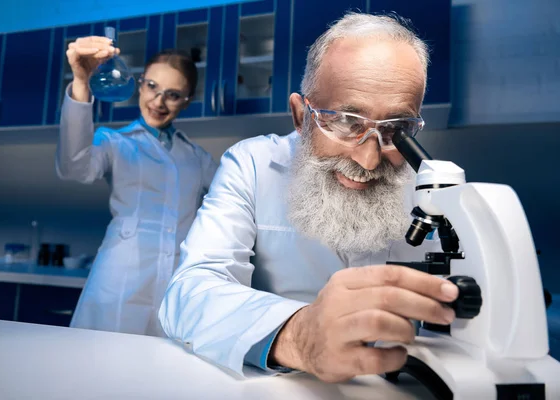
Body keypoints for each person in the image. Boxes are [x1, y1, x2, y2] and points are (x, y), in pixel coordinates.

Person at [159, 11, 461, 382]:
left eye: (396, 129)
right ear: (300, 116)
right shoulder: (252, 165)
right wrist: (299, 335)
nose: (369, 159)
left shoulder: (431, 188)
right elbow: (188, 294)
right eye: (347, 122)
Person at [55, 37, 218, 336]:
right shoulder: (114, 142)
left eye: (172, 94)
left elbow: (230, 205)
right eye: (152, 87)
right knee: (100, 371)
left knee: (156, 377)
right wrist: (81, 80)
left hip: (174, 289)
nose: (158, 102)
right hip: (119, 285)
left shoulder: (198, 159)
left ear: (187, 99)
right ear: (141, 85)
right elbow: (73, 167)